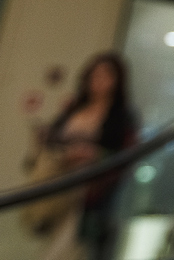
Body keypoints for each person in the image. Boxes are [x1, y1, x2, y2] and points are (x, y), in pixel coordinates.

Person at [36, 53, 137, 260]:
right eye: (95, 74)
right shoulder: (75, 108)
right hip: (58, 186)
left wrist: (95, 154)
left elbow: (124, 156)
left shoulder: (121, 117)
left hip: (88, 193)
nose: (99, 80)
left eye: (106, 75)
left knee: (65, 250)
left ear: (117, 80)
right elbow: (52, 140)